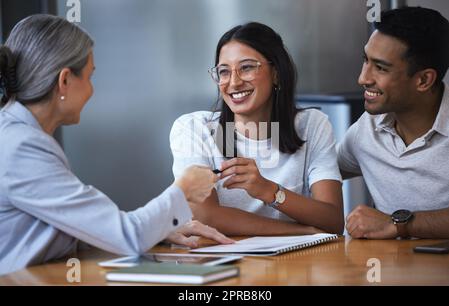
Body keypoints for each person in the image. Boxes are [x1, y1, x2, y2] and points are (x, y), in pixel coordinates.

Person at [0, 14, 233, 276]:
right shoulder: (22, 147)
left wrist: (158, 228)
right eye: (89, 78)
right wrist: (184, 189)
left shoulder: (18, 135)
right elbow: (129, 236)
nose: (92, 90)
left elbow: (66, 226)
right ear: (64, 80)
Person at [170, 22, 344, 236]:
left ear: (277, 73)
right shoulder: (195, 129)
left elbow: (333, 220)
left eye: (247, 67)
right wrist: (302, 231)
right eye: (224, 72)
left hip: (293, 265)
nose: (233, 82)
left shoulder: (311, 125)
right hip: (221, 261)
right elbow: (206, 216)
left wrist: (268, 190)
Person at [338, 7, 449, 239]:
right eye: (365, 60)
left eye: (380, 68)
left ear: (423, 80)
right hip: (390, 271)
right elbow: (318, 173)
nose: (363, 78)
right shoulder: (366, 128)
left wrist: (398, 223)